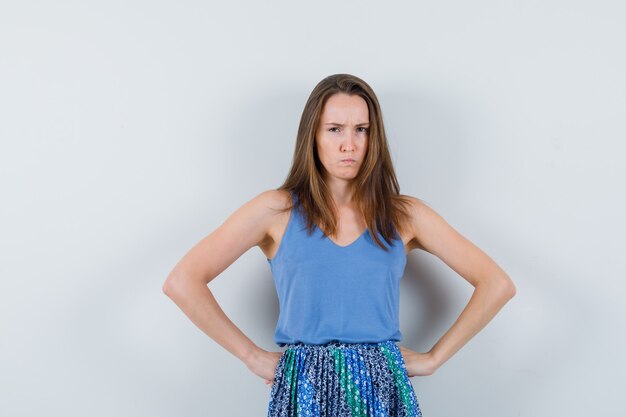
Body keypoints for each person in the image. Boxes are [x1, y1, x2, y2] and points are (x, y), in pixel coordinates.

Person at [162, 73, 517, 416]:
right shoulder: (276, 211)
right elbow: (183, 282)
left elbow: (496, 284)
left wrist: (434, 358)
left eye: (361, 129)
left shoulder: (404, 215)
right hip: (304, 388)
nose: (350, 144)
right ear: (312, 137)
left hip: (381, 387)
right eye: (335, 129)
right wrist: (251, 356)